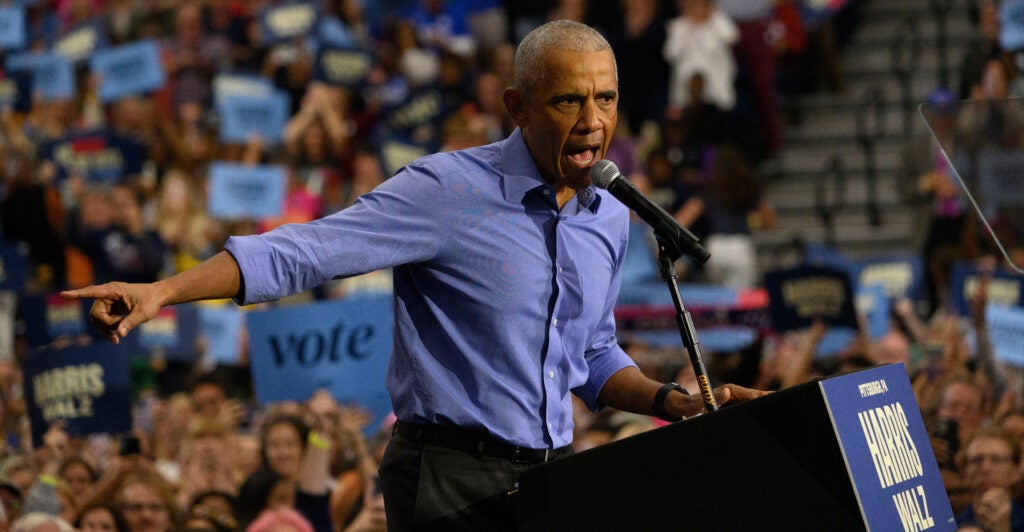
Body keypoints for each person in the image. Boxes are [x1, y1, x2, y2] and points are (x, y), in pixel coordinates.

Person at [61, 20, 766, 530]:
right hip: (449, 478)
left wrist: (667, 401)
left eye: (605, 99)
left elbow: (590, 356)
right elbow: (303, 251)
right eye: (567, 101)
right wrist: (163, 291)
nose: (592, 120)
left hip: (554, 474)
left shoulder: (608, 215)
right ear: (518, 107)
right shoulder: (446, 191)